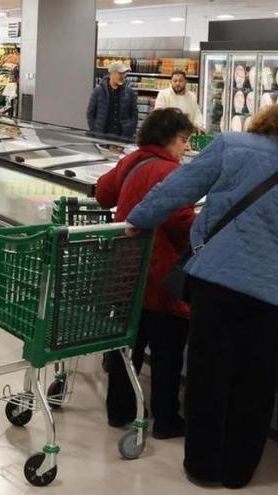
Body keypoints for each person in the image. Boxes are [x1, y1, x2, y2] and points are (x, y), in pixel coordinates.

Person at [126, 102, 278, 489]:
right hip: (270, 293)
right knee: (255, 382)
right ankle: (238, 472)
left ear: (264, 123)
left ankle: (203, 468)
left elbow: (176, 189)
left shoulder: (231, 145)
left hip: (216, 281)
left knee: (208, 374)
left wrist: (138, 219)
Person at [95, 108, 197, 439]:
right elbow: (180, 223)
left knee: (128, 344)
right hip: (162, 274)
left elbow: (102, 194)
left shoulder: (132, 160)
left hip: (125, 269)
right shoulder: (171, 172)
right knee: (167, 350)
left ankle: (119, 410)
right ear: (170, 138)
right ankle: (166, 420)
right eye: (184, 140)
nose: (185, 148)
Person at [87, 61, 138, 139]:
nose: (123, 76)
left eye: (124, 73)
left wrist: (129, 132)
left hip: (122, 139)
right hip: (102, 139)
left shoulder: (129, 92)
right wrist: (96, 133)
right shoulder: (98, 91)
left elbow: (134, 115)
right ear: (111, 73)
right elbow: (90, 114)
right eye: (120, 73)